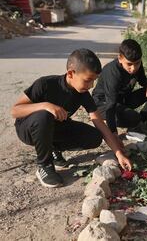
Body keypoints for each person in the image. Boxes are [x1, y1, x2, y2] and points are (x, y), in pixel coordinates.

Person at [11, 49, 132, 188]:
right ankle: (44, 165)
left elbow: (99, 122)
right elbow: (15, 110)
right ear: (70, 73)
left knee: (94, 137)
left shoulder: (83, 93)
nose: (91, 86)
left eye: (93, 81)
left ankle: (54, 149)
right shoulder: (45, 84)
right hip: (28, 129)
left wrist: (118, 153)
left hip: (53, 128)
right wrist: (46, 105)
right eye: (87, 80)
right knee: (44, 115)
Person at [92, 39, 147, 141]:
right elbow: (111, 105)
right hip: (103, 105)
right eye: (129, 64)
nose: (134, 68)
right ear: (120, 58)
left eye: (137, 63)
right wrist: (113, 134)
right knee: (133, 117)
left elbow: (142, 79)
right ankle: (133, 122)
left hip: (122, 100)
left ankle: (138, 125)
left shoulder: (136, 64)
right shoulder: (112, 72)